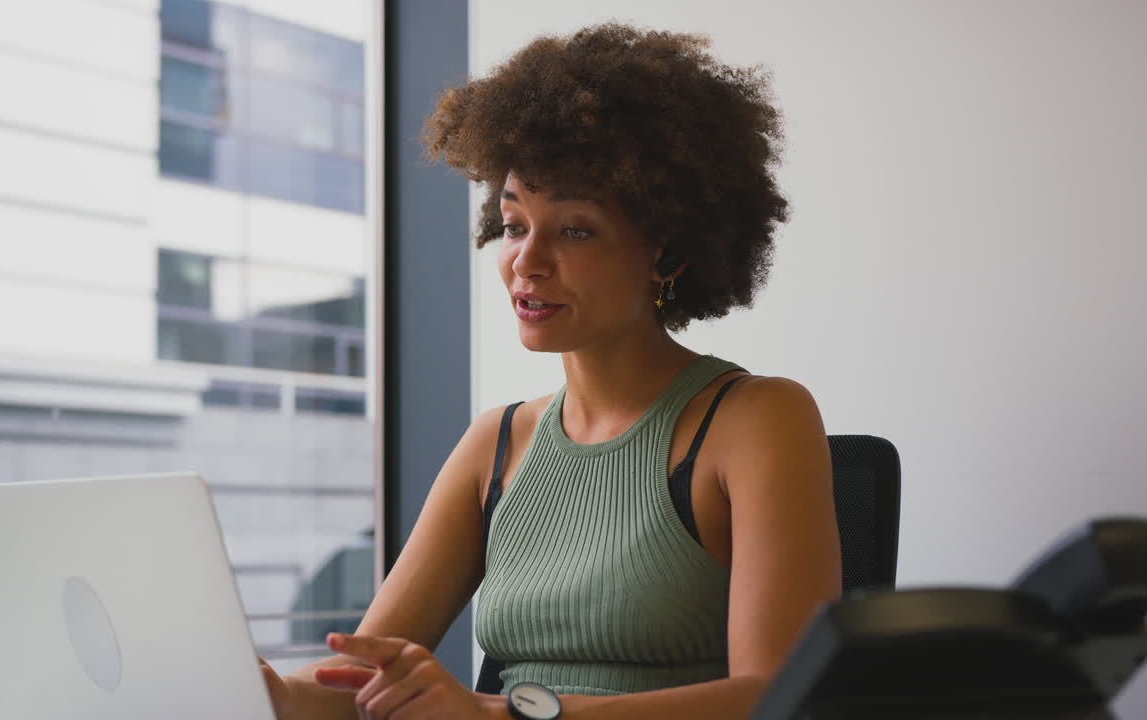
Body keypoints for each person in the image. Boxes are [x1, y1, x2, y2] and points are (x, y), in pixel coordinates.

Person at [261, 21, 841, 719]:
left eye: (574, 229)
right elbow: (355, 684)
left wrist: (502, 715)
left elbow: (779, 697)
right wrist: (260, 693)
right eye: (513, 225)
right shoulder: (496, 444)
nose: (526, 261)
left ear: (668, 250)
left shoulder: (756, 421)